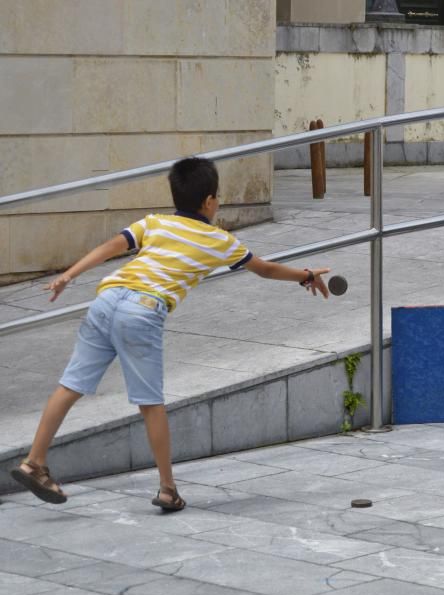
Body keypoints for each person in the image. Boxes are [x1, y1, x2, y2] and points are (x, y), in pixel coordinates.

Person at [10, 157, 332, 512]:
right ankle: (167, 489)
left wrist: (68, 275)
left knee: (70, 385)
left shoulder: (155, 223)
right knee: (150, 402)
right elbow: (266, 269)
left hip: (106, 299)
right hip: (142, 311)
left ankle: (34, 462)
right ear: (209, 202)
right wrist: (304, 274)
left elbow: (109, 248)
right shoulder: (219, 240)